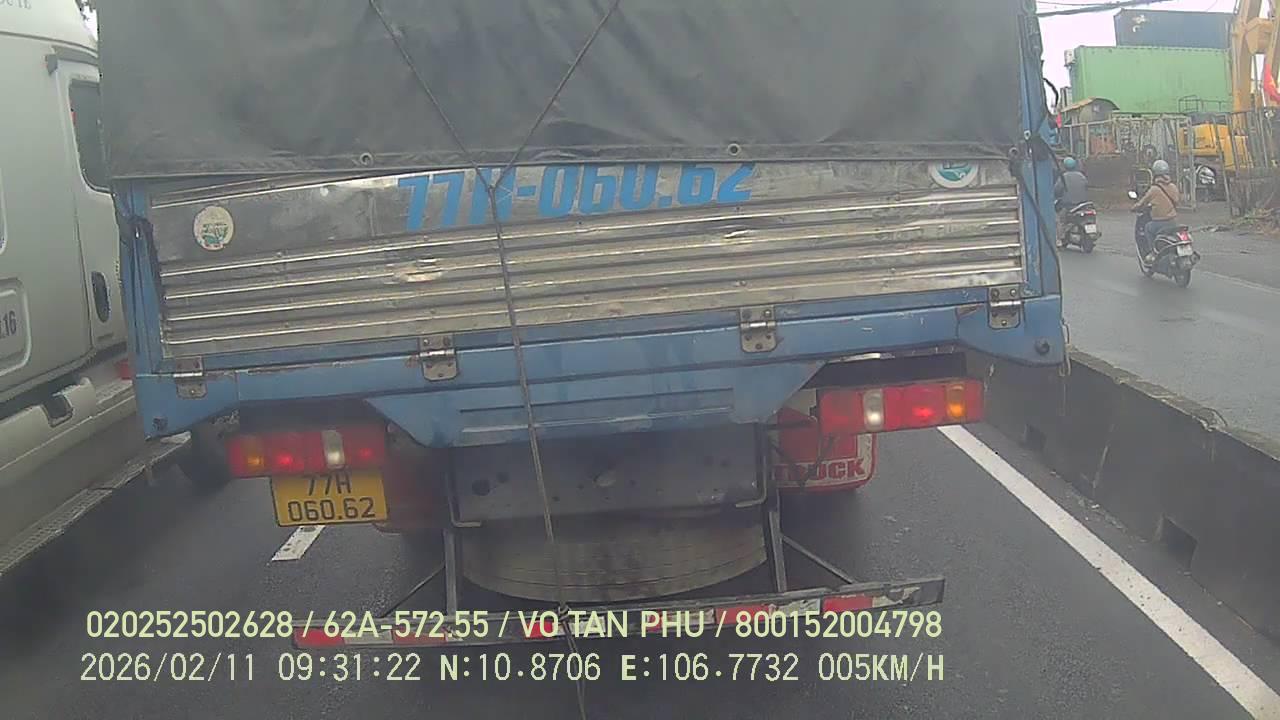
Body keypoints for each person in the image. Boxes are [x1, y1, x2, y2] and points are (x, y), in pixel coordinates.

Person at [1131, 160, 1181, 261]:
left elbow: (1142, 202)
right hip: (1173, 222)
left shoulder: (1154, 189)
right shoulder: (1173, 187)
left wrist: (1133, 207)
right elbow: (1177, 200)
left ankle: (1153, 252)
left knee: (1148, 228)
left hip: (1159, 222)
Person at [1053, 157, 1089, 239]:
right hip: (1083, 204)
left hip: (1069, 205)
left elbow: (1057, 190)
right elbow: (1086, 187)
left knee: (1061, 220)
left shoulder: (1063, 177)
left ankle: (1060, 238)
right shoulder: (1081, 176)